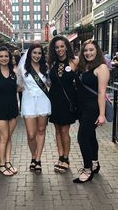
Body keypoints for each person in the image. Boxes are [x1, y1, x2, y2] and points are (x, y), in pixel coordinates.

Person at [73, 39, 109, 183]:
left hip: (92, 108)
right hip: (81, 108)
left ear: (97, 51)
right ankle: (94, 163)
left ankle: (87, 170)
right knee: (90, 136)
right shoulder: (83, 66)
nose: (88, 53)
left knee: (82, 137)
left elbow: (101, 93)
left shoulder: (102, 68)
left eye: (91, 50)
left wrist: (101, 114)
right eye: (86, 50)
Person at [17, 44, 51, 174]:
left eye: (39, 53)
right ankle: (33, 155)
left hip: (43, 100)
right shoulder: (22, 68)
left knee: (41, 131)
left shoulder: (45, 68)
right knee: (31, 134)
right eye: (34, 53)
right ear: (30, 53)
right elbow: (19, 86)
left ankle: (37, 159)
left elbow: (49, 84)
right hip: (29, 101)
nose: (37, 56)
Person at [48, 35, 78, 173]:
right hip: (54, 100)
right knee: (57, 130)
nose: (59, 49)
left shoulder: (74, 62)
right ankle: (60, 156)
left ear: (66, 46)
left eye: (61, 46)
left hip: (67, 101)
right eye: (57, 47)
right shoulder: (52, 63)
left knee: (65, 130)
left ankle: (66, 158)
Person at [0, 46, 19, 176]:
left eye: (6, 56)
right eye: (1, 56)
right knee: (4, 137)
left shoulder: (14, 72)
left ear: (10, 57)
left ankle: (8, 162)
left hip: (13, 107)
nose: (4, 58)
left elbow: (20, 88)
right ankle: (1, 165)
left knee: (9, 138)